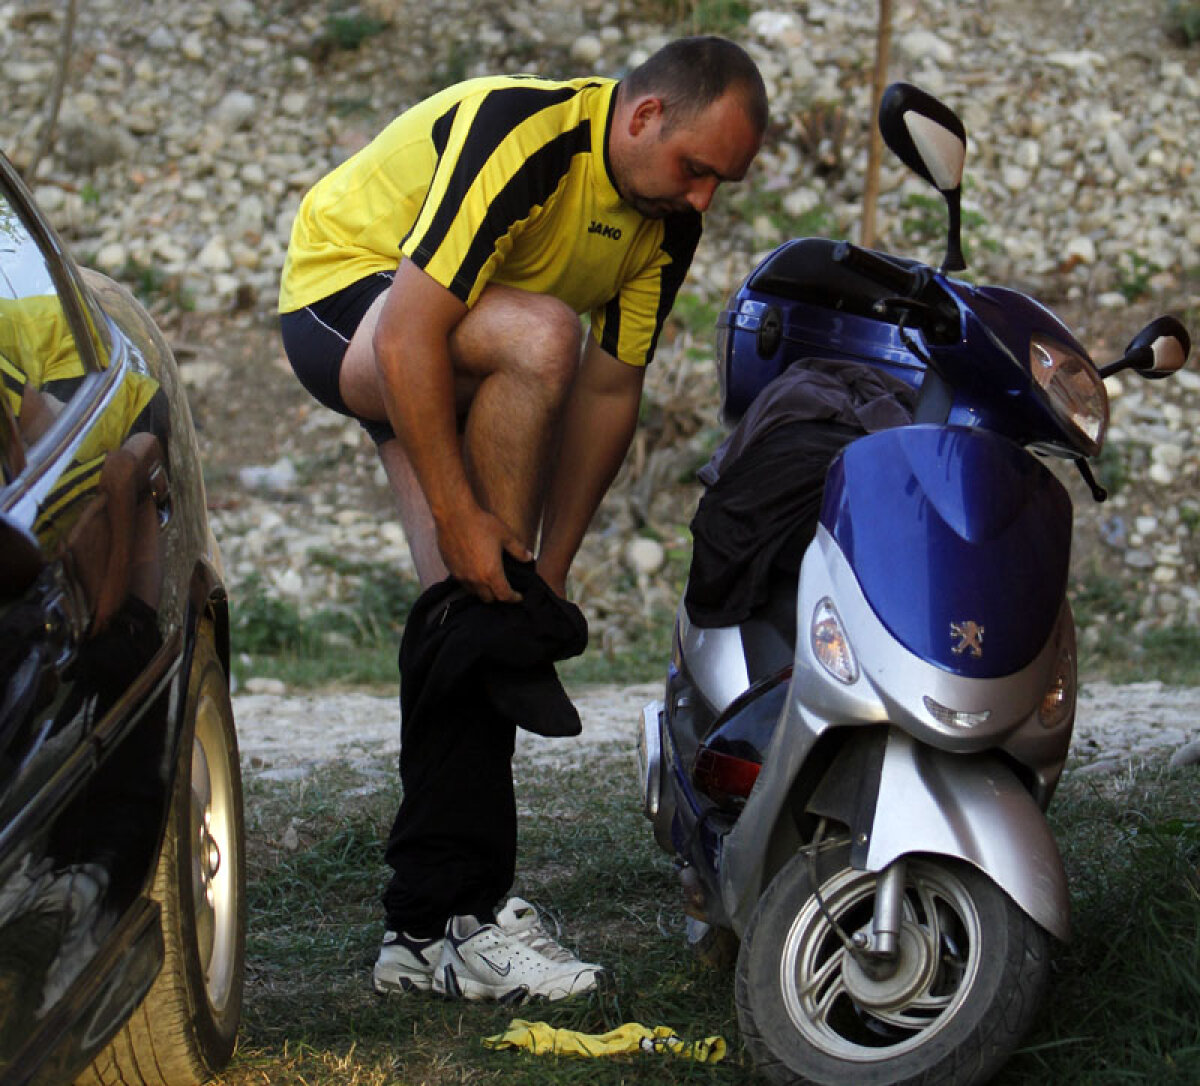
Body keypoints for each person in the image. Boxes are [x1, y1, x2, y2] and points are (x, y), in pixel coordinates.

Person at [278, 36, 767, 1003]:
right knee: (541, 335)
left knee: (475, 615)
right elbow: (417, 327)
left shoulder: (665, 220)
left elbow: (609, 391)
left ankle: (425, 930)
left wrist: (547, 573)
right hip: (349, 298)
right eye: (697, 168)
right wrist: (462, 513)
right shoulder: (527, 136)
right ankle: (464, 912)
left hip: (460, 335)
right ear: (642, 117)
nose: (705, 198)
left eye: (726, 182)